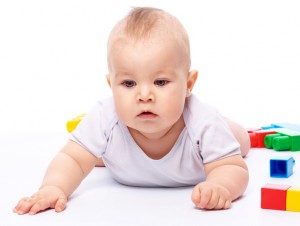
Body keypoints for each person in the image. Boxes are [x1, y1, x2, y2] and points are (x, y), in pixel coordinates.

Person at [13, 7, 250, 215]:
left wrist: (221, 186)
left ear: (188, 84)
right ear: (111, 85)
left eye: (160, 82)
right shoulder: (106, 116)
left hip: (205, 148)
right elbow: (71, 158)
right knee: (87, 154)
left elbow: (233, 168)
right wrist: (53, 187)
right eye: (129, 84)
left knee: (239, 141)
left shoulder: (204, 122)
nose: (144, 95)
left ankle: (238, 133)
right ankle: (104, 153)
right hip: (123, 162)